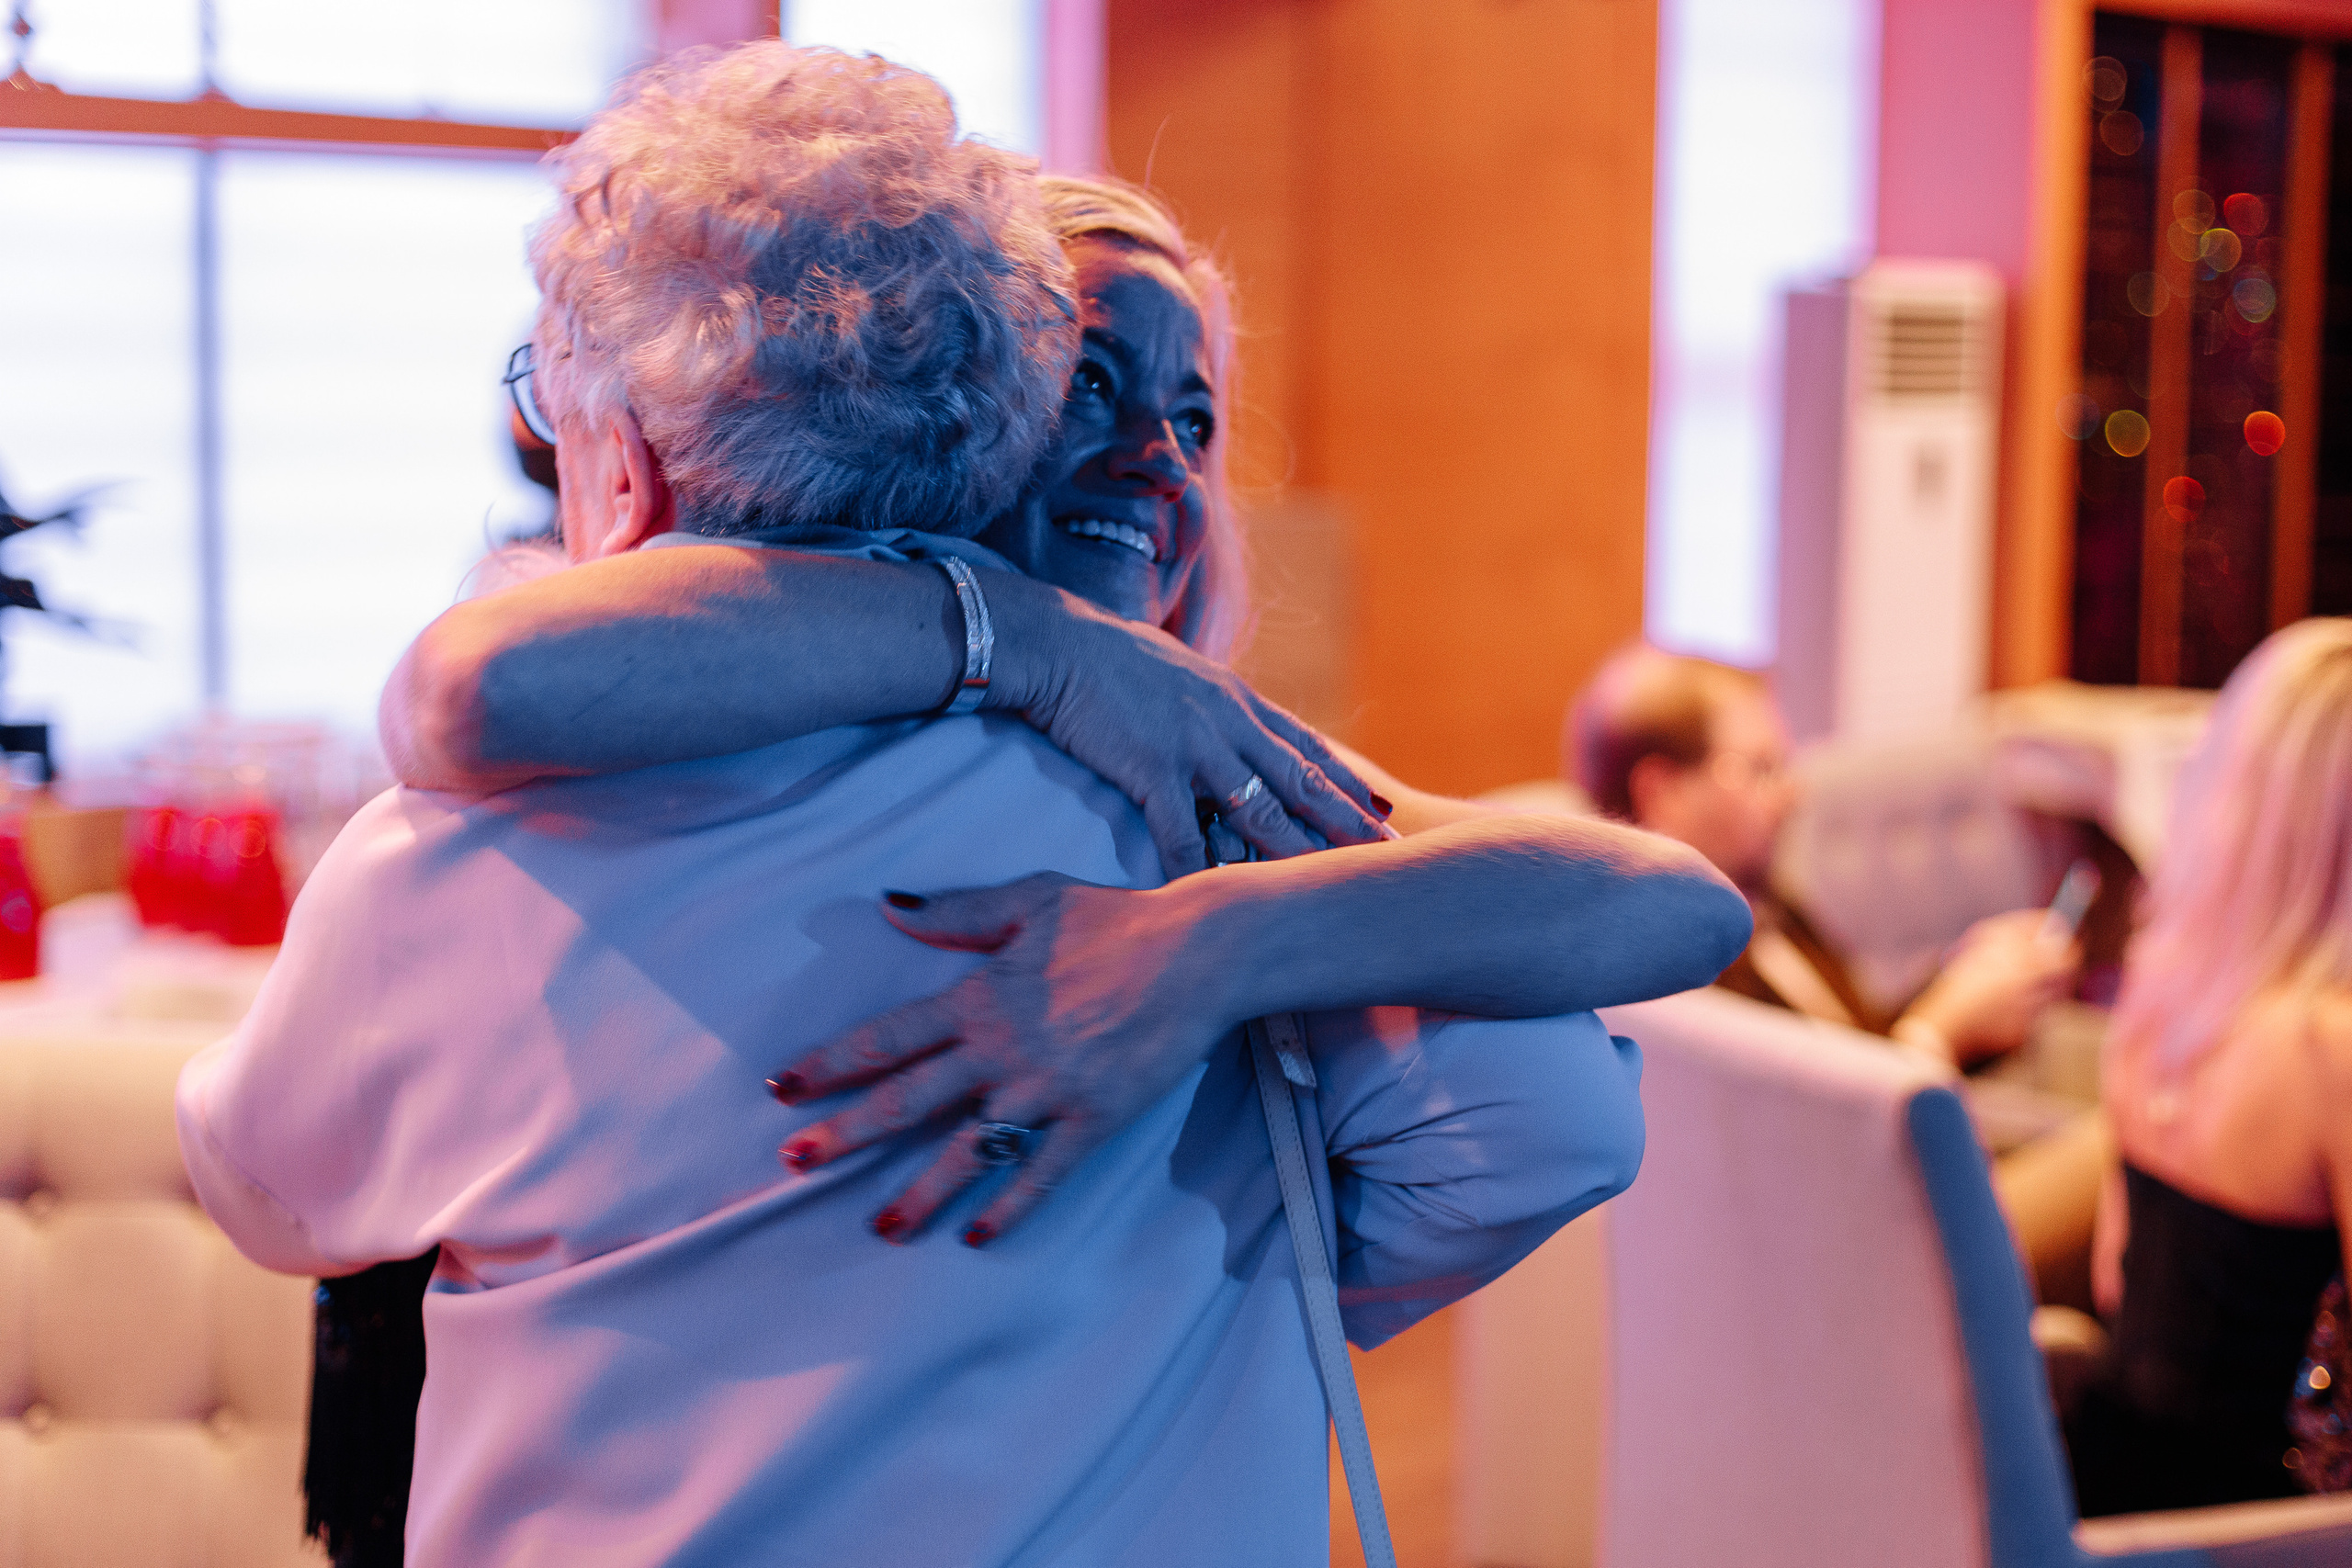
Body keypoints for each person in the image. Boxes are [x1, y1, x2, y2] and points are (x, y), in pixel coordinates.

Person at [180, 43, 1748, 1566]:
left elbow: (265, 1178)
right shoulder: (1174, 812)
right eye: (1094, 393)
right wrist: (1223, 1267)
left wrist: (1206, 952)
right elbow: (1550, 1122)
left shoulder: (448, 852)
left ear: (628, 464)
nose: (1152, 462)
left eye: (1192, 418)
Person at [2067, 618, 2352, 1516]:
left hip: (2100, 1478)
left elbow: (2115, 1273)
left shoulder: (2161, 987)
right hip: (2254, 1526)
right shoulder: (2326, 1046)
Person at [1567, 645, 2079, 1069]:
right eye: (1762, 768)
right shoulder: (1675, 969)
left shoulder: (1759, 898)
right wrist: (1942, 1032)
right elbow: (1803, 1139)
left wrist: (1966, 980)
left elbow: (1853, 1036)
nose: (1793, 795)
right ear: (1663, 793)